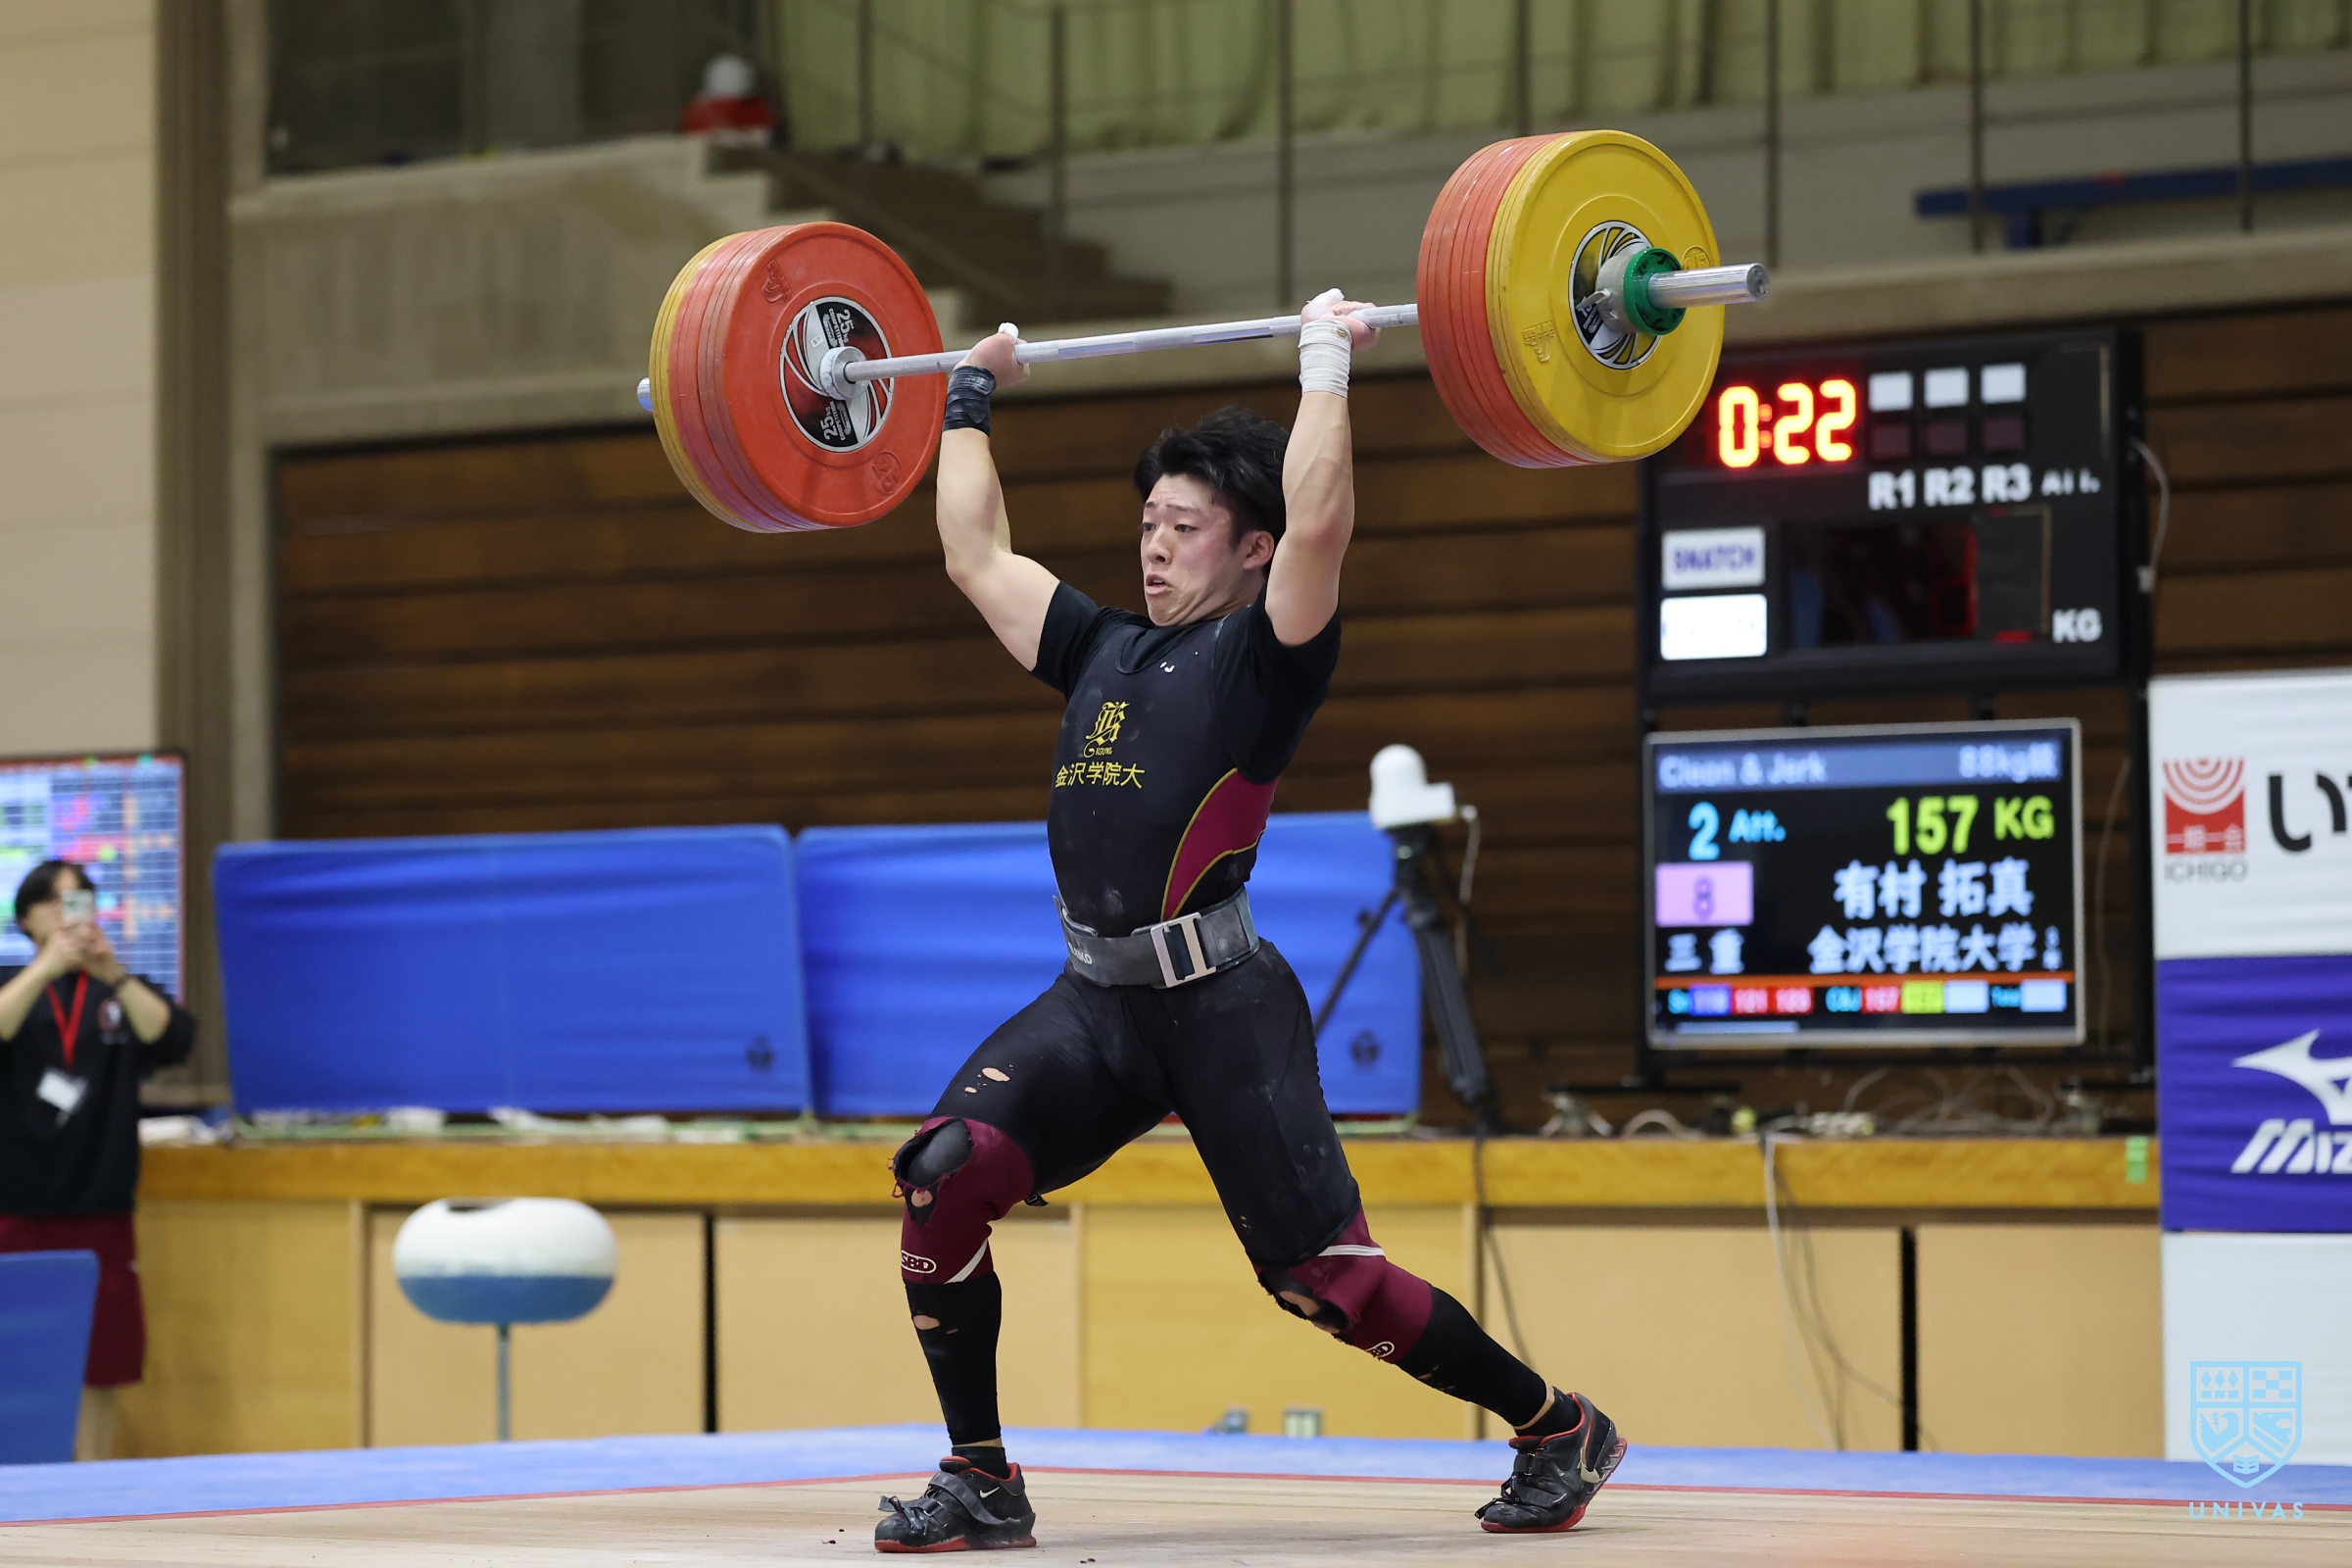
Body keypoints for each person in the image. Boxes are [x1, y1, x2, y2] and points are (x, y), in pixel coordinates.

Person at [873, 297, 1621, 1552]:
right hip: (1097, 1006)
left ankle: (1557, 1426)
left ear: (1253, 548)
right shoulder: (1099, 646)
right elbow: (973, 549)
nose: (1156, 547)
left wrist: (1324, 360)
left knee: (1323, 1283)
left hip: (1222, 1008)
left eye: (1186, 527)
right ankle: (982, 1477)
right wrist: (967, 391)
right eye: (1148, 524)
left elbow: (1323, 518)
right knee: (943, 1175)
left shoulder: (1266, 660)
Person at [0, 860, 197, 1459]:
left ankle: (92, 1482)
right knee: (17, 1358)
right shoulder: (13, 982)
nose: (71, 916)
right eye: (56, 903)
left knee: (101, 1362)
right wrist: (45, 968)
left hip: (101, 1206)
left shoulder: (120, 988)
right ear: (27, 918)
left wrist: (112, 972)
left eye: (81, 901)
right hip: (17, 1205)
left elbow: (173, 1039)